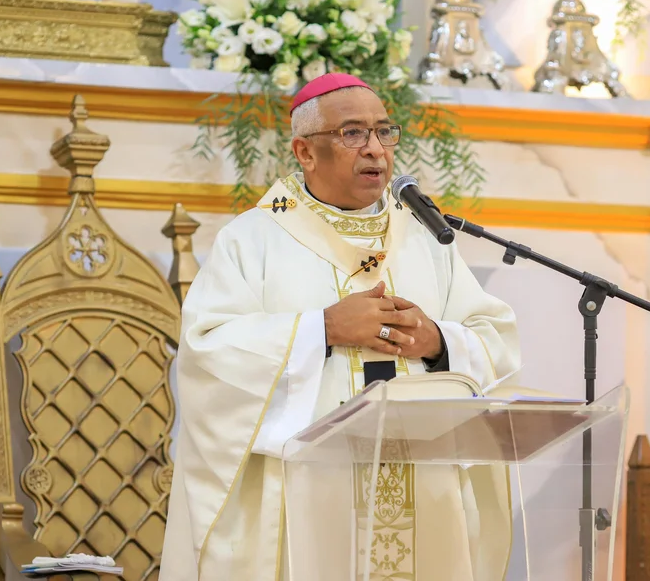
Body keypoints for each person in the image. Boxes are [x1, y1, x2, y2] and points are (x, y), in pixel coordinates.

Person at [161, 73, 521, 581]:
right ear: (305, 152)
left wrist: (438, 341)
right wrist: (321, 329)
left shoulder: (421, 233)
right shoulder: (255, 237)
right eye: (353, 134)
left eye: (383, 132)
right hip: (307, 489)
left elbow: (492, 333)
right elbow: (207, 353)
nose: (375, 150)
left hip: (422, 480)